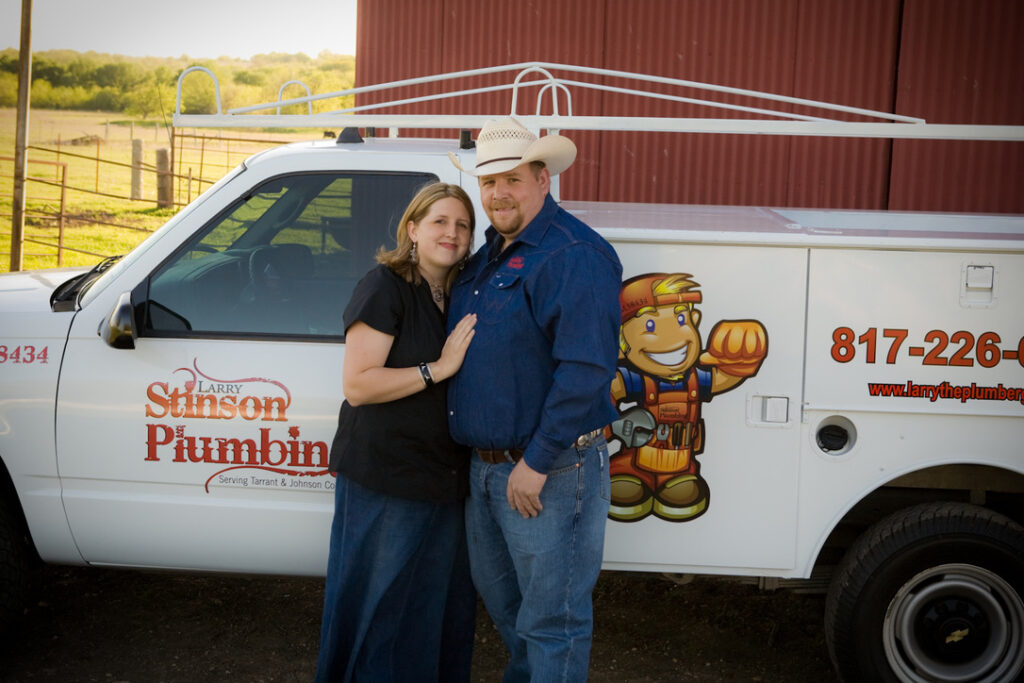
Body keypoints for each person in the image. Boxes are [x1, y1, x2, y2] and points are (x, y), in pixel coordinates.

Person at [447, 118, 623, 681]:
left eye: (512, 179)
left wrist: (537, 461)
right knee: (510, 611)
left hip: (549, 471)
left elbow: (587, 369)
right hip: (487, 471)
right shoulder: (487, 256)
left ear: (542, 179)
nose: (498, 192)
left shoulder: (574, 255)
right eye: (488, 181)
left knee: (553, 622)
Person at [315, 182, 479, 683]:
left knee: (436, 612)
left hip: (445, 481)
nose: (451, 233)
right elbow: (359, 385)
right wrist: (439, 367)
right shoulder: (383, 286)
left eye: (462, 225)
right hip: (387, 480)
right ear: (412, 229)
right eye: (439, 222)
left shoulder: (459, 291)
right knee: (378, 606)